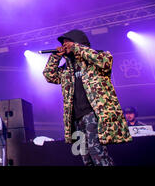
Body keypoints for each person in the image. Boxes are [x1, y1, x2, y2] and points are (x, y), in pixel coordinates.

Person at [43, 29, 131, 166]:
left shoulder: (97, 58)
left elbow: (105, 62)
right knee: (85, 156)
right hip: (76, 118)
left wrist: (76, 48)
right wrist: (55, 57)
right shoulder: (67, 68)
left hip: (92, 113)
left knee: (97, 152)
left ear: (78, 43)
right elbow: (50, 76)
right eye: (64, 44)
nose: (65, 45)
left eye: (67, 43)